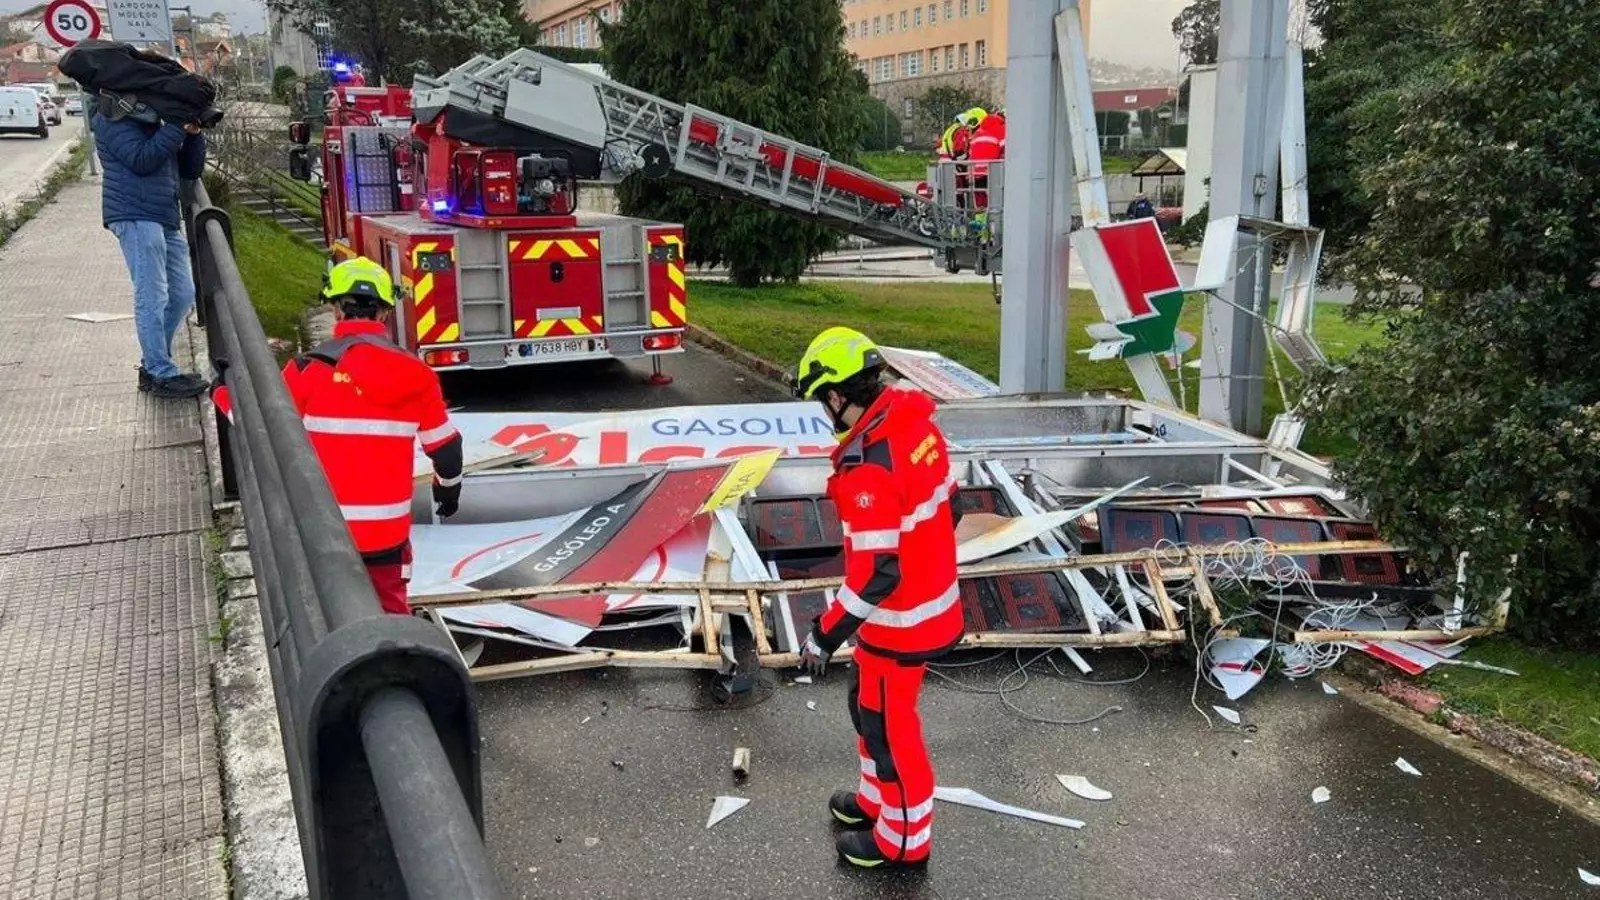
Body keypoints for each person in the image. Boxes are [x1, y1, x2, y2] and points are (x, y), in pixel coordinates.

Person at [792, 327, 965, 871]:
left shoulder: (868, 468)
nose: (824, 411)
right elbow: (951, 508)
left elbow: (875, 575)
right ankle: (875, 801)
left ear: (837, 395)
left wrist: (822, 635)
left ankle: (904, 840)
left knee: (891, 732)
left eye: (822, 400)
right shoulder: (915, 425)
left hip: (901, 624)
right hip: (918, 608)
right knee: (866, 710)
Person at [213, 257, 464, 614]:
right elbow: (448, 451)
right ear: (384, 313)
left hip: (323, 528)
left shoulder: (306, 370)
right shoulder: (418, 375)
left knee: (326, 613)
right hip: (386, 535)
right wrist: (447, 491)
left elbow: (260, 426)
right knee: (390, 612)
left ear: (335, 309)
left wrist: (223, 390)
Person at [92, 96, 209, 399]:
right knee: (152, 296)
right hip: (134, 214)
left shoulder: (152, 118)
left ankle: (153, 362)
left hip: (163, 215)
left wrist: (194, 135)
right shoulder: (110, 115)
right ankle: (160, 372)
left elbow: (190, 170)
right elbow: (141, 160)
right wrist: (176, 125)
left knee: (182, 294)